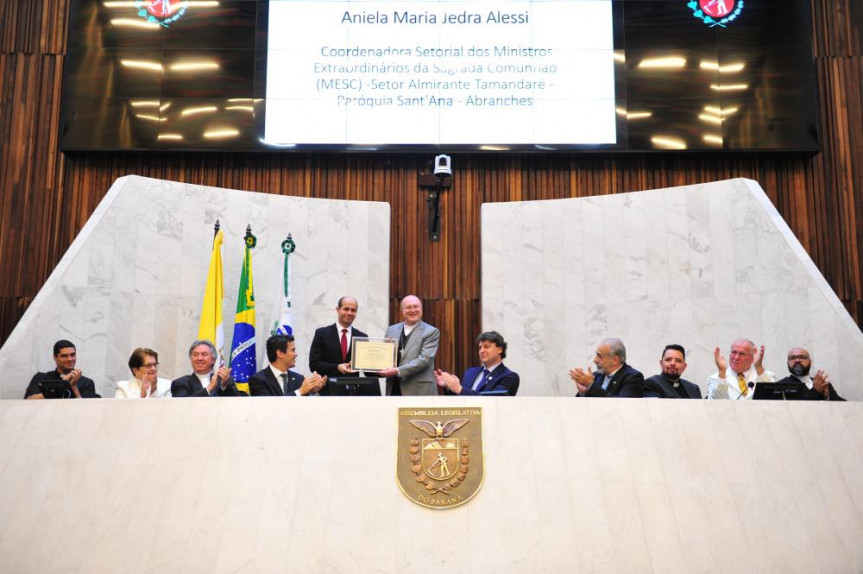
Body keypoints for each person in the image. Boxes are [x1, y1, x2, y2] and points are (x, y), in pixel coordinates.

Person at [378, 295, 440, 396]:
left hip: (419, 389)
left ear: (421, 309)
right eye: (408, 307)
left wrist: (397, 371)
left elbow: (425, 359)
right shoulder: (391, 330)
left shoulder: (431, 332)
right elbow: (385, 357)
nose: (413, 310)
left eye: (416, 307)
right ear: (402, 310)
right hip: (394, 386)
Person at [434, 331, 519, 396]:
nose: (481, 351)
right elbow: (460, 400)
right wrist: (449, 386)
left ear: (499, 349)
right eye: (480, 348)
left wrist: (459, 389)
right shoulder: (470, 372)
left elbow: (494, 401)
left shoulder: (510, 377)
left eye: (487, 347)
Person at [308, 296, 368, 381]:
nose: (350, 313)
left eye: (353, 310)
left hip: (352, 390)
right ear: (337, 310)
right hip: (328, 389)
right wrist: (337, 367)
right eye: (346, 309)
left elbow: (367, 370)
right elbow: (314, 364)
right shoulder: (321, 334)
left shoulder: (362, 337)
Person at [248, 334, 327, 396]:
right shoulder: (258, 380)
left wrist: (313, 391)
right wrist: (300, 392)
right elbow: (267, 406)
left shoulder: (299, 379)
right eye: (293, 350)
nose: (296, 354)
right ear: (280, 353)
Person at [569, 337, 644, 398]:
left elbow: (621, 406)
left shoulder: (633, 377)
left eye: (599, 356)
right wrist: (583, 392)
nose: (595, 360)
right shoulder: (596, 376)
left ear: (615, 360)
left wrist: (591, 385)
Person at [24, 340, 99, 399]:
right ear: (55, 357)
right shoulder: (41, 377)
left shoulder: (87, 382)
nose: (70, 359)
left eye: (73, 355)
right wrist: (62, 382)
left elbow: (86, 408)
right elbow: (29, 400)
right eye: (64, 356)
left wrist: (73, 385)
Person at [706, 338, 775, 400]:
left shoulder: (765, 375)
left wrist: (759, 367)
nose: (736, 358)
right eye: (734, 352)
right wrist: (722, 372)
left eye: (742, 354)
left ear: (752, 358)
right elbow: (714, 404)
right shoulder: (716, 378)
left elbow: (772, 396)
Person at [170, 340, 242, 397]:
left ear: (213, 360)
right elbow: (182, 406)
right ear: (191, 359)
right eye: (195, 355)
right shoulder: (180, 383)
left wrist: (224, 386)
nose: (199, 358)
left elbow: (237, 404)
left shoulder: (224, 380)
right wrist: (209, 388)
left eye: (204, 354)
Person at [776, 347, 845, 401]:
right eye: (792, 358)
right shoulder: (780, 386)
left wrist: (827, 396)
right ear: (788, 363)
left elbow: (845, 408)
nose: (797, 360)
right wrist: (815, 391)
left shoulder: (821, 383)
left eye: (801, 357)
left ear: (810, 362)